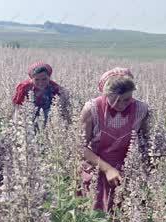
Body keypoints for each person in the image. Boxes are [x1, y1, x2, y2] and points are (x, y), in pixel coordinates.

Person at [80, 68, 150, 212]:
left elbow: (145, 141)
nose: (121, 105)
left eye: (126, 99)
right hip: (96, 169)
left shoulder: (141, 110)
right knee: (95, 219)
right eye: (115, 100)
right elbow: (80, 146)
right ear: (106, 94)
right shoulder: (92, 109)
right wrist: (107, 169)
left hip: (127, 171)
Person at [12, 61, 70, 126]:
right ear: (32, 78)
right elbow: (18, 108)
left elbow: (62, 109)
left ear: (49, 77)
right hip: (28, 117)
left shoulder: (55, 88)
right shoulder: (24, 87)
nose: (41, 83)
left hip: (48, 118)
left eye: (44, 79)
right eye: (37, 79)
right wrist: (16, 124)